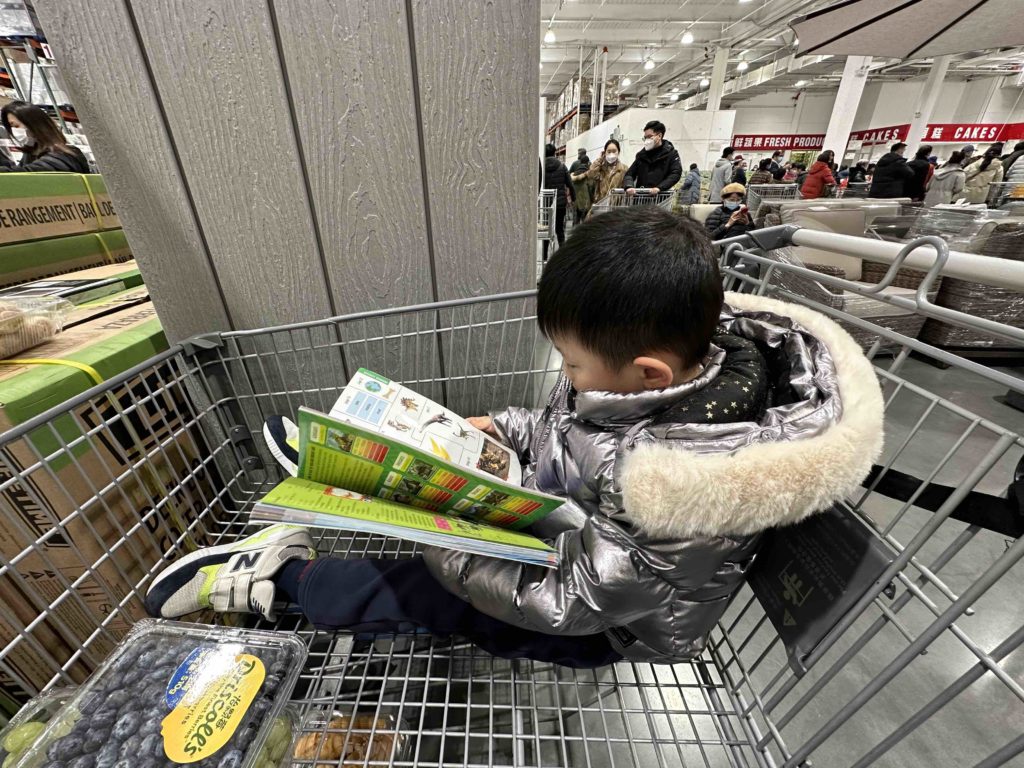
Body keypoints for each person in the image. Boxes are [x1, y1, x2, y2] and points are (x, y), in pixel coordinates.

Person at [144, 206, 883, 667]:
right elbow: (571, 430)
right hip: (568, 532)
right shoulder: (653, 380)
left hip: (601, 626)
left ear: (651, 372)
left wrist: (438, 535)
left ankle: (282, 583)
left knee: (429, 597)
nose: (566, 375)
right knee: (430, 504)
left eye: (571, 363)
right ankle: (336, 457)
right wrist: (506, 428)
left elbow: (568, 604)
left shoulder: (692, 493)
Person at [0, 101, 89, 173]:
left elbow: (30, 174)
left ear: (34, 124)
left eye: (16, 126)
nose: (14, 132)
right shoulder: (30, 154)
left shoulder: (66, 155)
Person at [623, 120, 682, 195]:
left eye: (649, 137)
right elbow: (629, 174)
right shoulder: (641, 155)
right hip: (641, 199)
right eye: (645, 138)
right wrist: (629, 186)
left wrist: (659, 188)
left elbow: (675, 173)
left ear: (659, 136)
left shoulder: (671, 154)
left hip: (660, 198)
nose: (647, 140)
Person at [541, 143, 572, 262]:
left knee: (546, 229)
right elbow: (570, 184)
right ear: (555, 153)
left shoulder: (542, 167)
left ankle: (544, 258)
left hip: (546, 204)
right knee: (560, 230)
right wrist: (573, 199)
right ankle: (563, 257)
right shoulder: (562, 166)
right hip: (560, 204)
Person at [586, 139, 629, 203]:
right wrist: (600, 159)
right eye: (609, 151)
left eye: (614, 151)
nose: (611, 154)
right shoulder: (600, 168)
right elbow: (590, 175)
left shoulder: (624, 169)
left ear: (618, 152)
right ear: (604, 153)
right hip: (600, 205)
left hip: (616, 207)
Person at [569, 150, 593, 223]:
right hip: (586, 201)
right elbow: (591, 187)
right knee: (585, 221)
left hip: (576, 200)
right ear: (587, 162)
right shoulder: (589, 173)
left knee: (576, 219)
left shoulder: (574, 168)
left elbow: (569, 175)